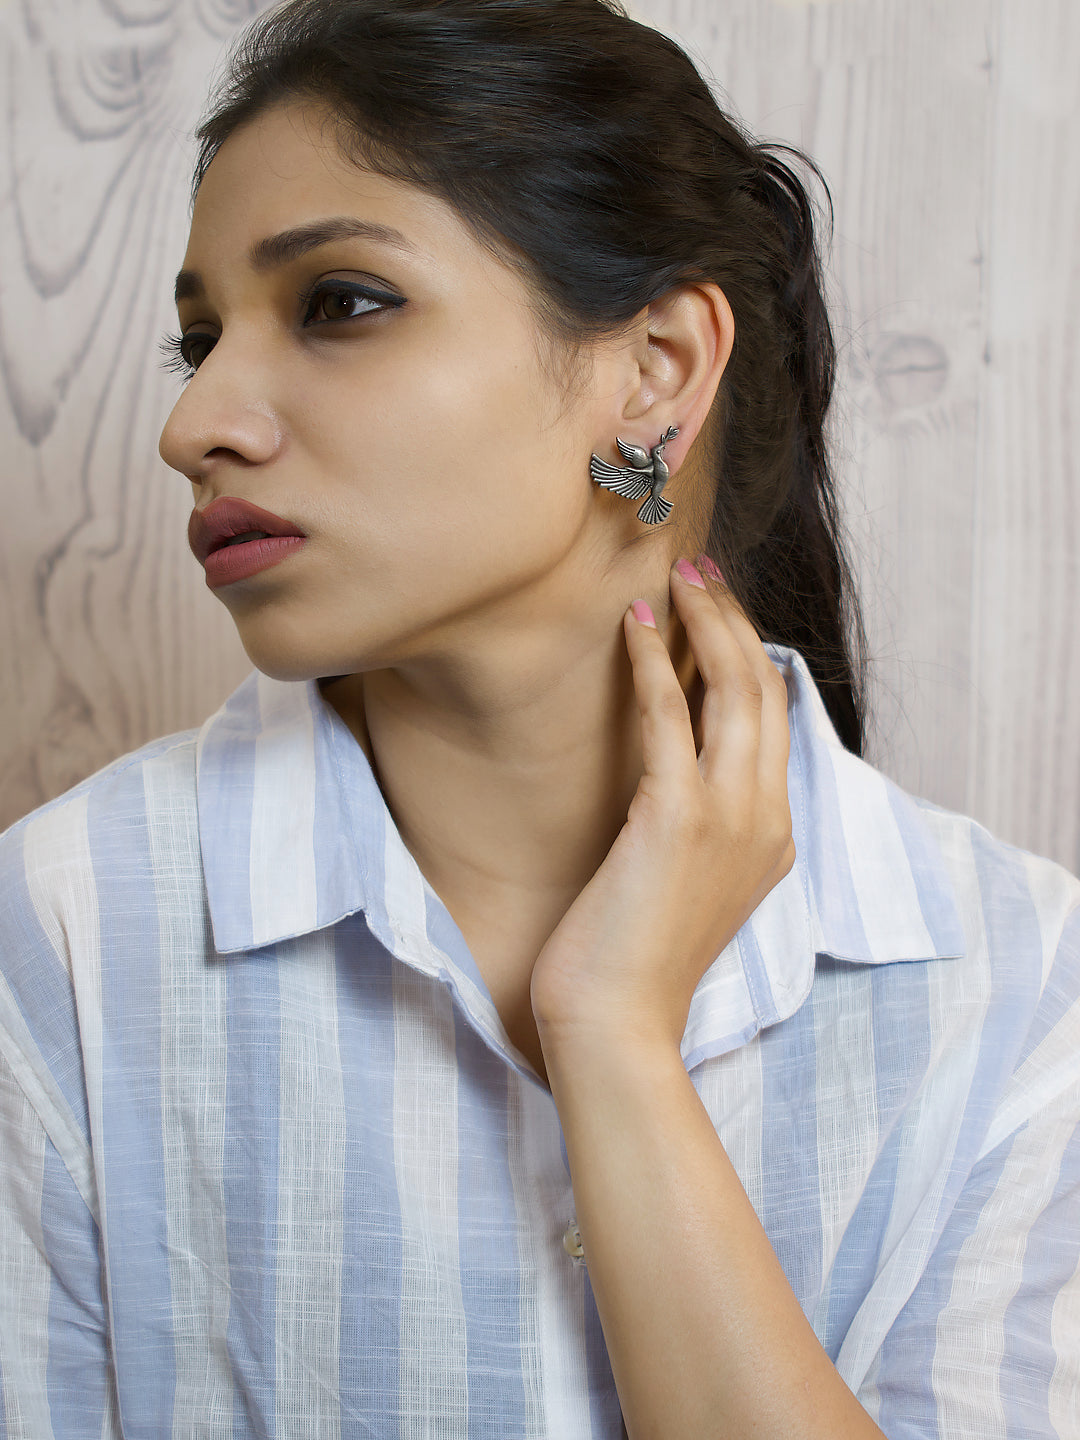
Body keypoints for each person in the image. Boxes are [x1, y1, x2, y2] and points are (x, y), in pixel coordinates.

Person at [1, 0, 1077, 1435]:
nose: (194, 425)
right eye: (199, 341)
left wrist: (616, 1040)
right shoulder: (63, 934)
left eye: (340, 302)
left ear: (656, 370)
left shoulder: (1022, 989)